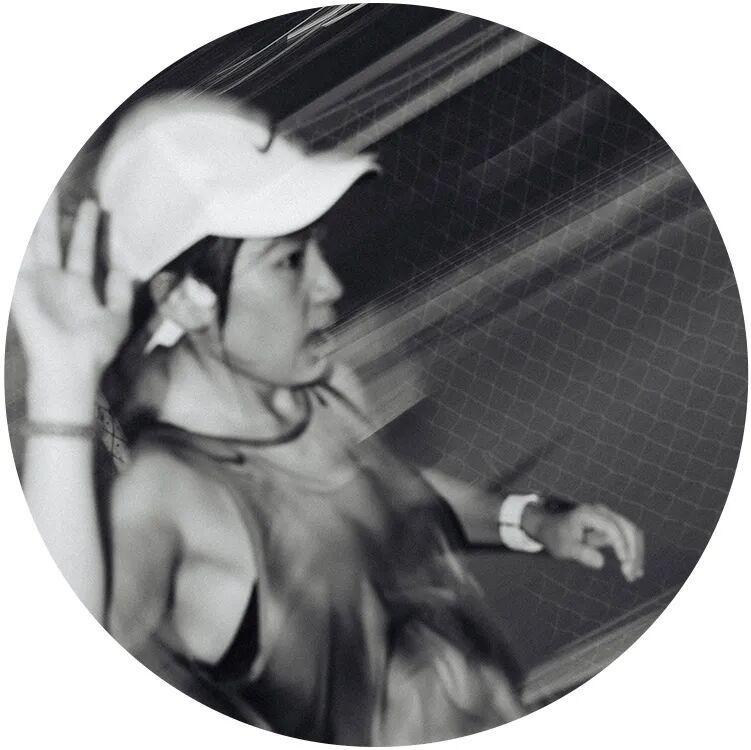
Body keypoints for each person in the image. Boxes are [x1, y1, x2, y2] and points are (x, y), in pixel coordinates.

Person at [12, 93, 644, 745]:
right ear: (187, 299)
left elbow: (393, 504)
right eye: (288, 262)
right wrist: (62, 383)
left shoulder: (323, 393)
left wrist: (533, 521)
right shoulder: (170, 494)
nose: (329, 286)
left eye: (314, 247)